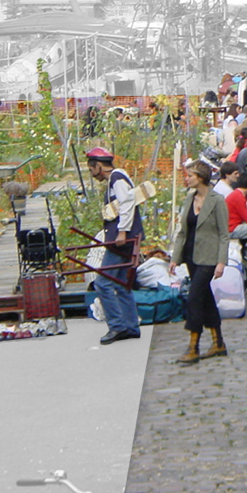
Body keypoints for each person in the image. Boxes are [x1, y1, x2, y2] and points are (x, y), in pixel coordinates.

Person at [170, 160, 229, 364]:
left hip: (209, 257)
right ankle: (218, 342)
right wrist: (175, 258)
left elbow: (224, 234)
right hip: (190, 256)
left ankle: (193, 346)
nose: (186, 179)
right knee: (205, 297)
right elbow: (182, 232)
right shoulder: (189, 199)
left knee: (194, 297)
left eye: (190, 176)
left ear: (201, 178)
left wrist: (221, 262)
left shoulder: (217, 200)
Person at [85, 148, 142, 345]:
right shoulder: (116, 179)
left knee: (103, 282)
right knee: (121, 284)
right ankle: (131, 326)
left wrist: (122, 231)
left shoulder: (117, 179)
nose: (92, 173)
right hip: (123, 237)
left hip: (121, 240)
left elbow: (127, 205)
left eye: (91, 169)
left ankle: (117, 326)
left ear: (99, 166)